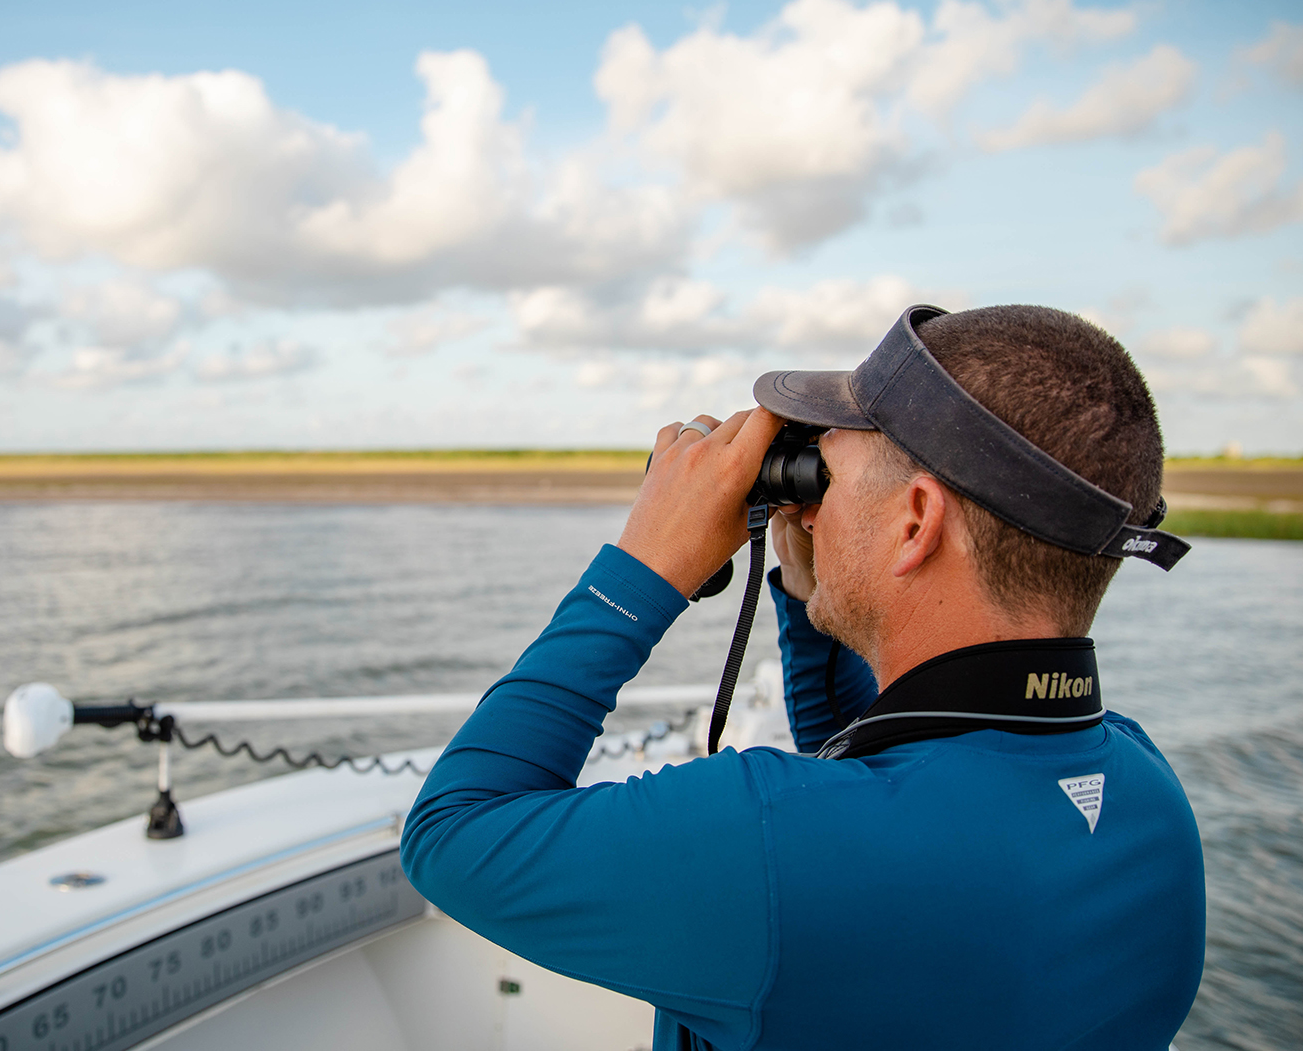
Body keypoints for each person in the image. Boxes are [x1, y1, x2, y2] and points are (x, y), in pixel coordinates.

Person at [400, 305, 1206, 1050]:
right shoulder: (1149, 795)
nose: (808, 505)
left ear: (916, 521)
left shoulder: (764, 841)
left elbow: (454, 831)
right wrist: (808, 588)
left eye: (826, 477)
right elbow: (879, 778)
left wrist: (645, 563)